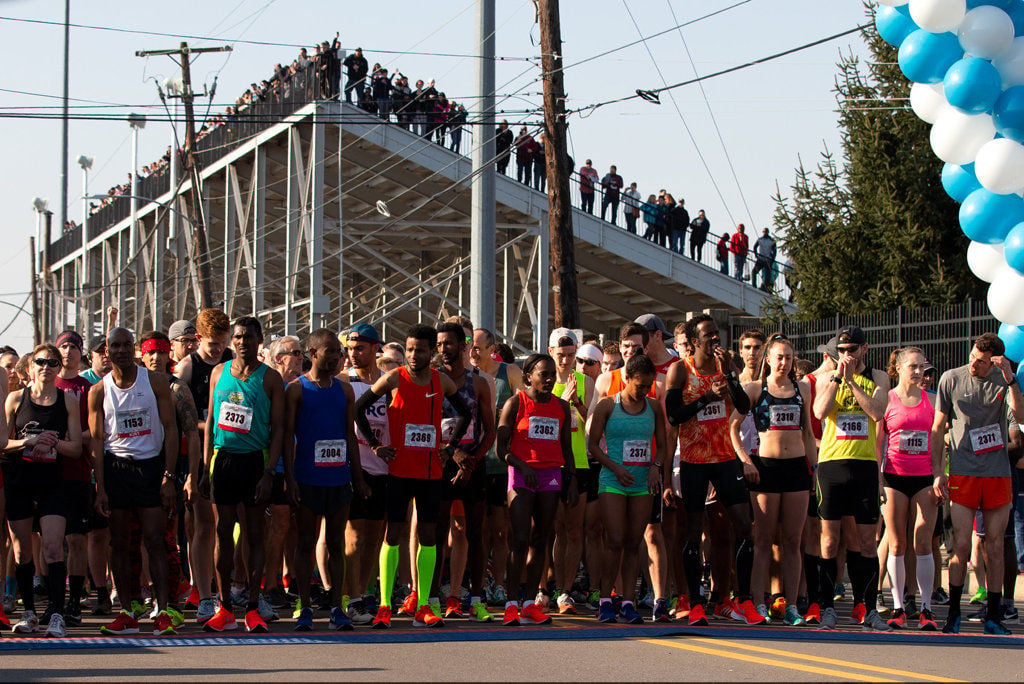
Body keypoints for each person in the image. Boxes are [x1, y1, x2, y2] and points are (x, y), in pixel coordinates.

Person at [355, 325, 471, 629]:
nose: (413, 355)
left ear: (431, 351)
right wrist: (377, 445)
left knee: (429, 536)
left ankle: (423, 605)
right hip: (399, 471)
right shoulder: (394, 377)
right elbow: (358, 409)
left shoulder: (440, 380)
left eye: (419, 350)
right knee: (392, 535)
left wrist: (450, 447)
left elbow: (466, 414)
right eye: (409, 349)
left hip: (431, 472)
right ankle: (383, 606)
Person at [664, 314, 759, 626]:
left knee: (744, 526)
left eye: (717, 333)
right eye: (708, 335)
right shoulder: (681, 369)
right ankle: (694, 602)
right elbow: (674, 415)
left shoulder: (725, 367)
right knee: (692, 531)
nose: (715, 339)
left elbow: (744, 407)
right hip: (694, 461)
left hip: (724, 458)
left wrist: (731, 376)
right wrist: (706, 398)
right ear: (693, 341)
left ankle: (742, 599)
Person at [90, 328, 179, 636]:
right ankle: (127, 611)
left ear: (135, 349)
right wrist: (100, 487)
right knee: (118, 544)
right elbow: (97, 443)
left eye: (127, 345)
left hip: (150, 468)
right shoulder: (98, 391)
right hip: (117, 469)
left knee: (154, 541)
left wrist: (169, 476)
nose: (122, 350)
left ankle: (162, 611)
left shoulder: (154, 381)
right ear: (107, 351)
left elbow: (171, 428)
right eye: (116, 345)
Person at [932, 333, 1023, 635]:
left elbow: (1020, 418)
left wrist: (1010, 380)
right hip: (963, 472)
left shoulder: (1004, 381)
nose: (975, 365)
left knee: (995, 546)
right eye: (973, 357)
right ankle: (954, 613)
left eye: (983, 363)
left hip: (997, 474)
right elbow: (937, 427)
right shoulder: (951, 379)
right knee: (960, 545)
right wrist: (937, 471)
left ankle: (994, 616)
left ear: (995, 362)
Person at [201, 317, 285, 633]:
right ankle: (223, 606)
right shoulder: (218, 373)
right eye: (237, 337)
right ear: (231, 341)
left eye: (248, 337)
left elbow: (278, 430)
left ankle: (252, 605)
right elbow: (210, 421)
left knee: (254, 534)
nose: (242, 343)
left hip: (255, 462)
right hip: (223, 461)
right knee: (223, 531)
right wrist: (205, 466)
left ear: (259, 340)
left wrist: (269, 473)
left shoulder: (271, 379)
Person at [285, 329, 368, 631]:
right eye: (329, 350)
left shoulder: (344, 390)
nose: (336, 356)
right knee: (306, 542)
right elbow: (286, 436)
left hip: (338, 479)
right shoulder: (297, 389)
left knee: (336, 543)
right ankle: (304, 607)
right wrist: (290, 478)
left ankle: (337, 607)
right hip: (307, 478)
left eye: (338, 351)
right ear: (312, 353)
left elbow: (350, 435)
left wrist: (357, 478)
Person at [730, 335, 815, 626]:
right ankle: (758, 602)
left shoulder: (802, 388)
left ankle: (791, 605)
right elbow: (733, 427)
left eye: (789, 358)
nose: (784, 363)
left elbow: (807, 433)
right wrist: (745, 460)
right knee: (763, 539)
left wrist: (813, 470)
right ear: (768, 359)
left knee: (793, 540)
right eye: (779, 357)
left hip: (796, 469)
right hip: (765, 467)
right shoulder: (755, 389)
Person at [813, 325, 891, 632]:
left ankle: (868, 608)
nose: (847, 355)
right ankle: (828, 608)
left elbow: (877, 413)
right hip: (832, 463)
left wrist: (853, 384)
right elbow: (819, 413)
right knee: (829, 541)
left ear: (864, 349)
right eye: (842, 350)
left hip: (864, 465)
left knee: (866, 543)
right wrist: (836, 379)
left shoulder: (878, 377)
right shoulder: (825, 377)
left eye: (852, 350)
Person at [496, 353, 577, 626]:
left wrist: (572, 480)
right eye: (544, 374)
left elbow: (567, 448)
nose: (550, 379)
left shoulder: (561, 407)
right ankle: (510, 604)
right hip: (521, 475)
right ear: (529, 375)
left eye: (552, 374)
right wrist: (522, 465)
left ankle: (530, 603)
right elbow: (501, 450)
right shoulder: (514, 403)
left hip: (551, 475)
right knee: (519, 539)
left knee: (541, 538)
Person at [588, 354, 668, 624]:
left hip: (642, 482)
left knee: (634, 543)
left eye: (648, 386)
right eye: (639, 386)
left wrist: (656, 466)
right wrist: (615, 467)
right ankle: (605, 600)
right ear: (627, 379)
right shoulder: (608, 406)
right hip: (613, 481)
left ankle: (627, 601)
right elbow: (593, 446)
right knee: (615, 540)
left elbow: (664, 444)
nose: (644, 391)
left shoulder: (654, 407)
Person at [5, 344, 75, 637]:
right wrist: (27, 442)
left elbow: (77, 447)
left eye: (53, 362)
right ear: (30, 367)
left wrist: (53, 442)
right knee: (21, 550)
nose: (47, 366)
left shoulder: (67, 400)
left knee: (53, 547)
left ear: (59, 369)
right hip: (20, 480)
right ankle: (30, 613)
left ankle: (57, 613)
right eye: (41, 362)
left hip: (52, 482)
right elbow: (1, 442)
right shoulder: (15, 399)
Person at [432, 322, 495, 623]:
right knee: (437, 530)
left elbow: (490, 430)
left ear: (463, 345)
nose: (444, 349)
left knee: (475, 533)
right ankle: (432, 600)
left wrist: (472, 461)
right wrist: (451, 453)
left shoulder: (478, 383)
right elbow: (425, 426)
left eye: (449, 343)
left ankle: (476, 598)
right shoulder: (432, 381)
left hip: (473, 466)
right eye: (440, 344)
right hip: (441, 464)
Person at [138, 331, 201, 628]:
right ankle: (148, 596)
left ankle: (171, 602)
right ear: (142, 354)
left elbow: (192, 432)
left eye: (161, 352)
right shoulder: (133, 386)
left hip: (172, 470)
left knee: (167, 539)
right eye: (150, 352)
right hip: (139, 468)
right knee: (139, 538)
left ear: (168, 355)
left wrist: (192, 475)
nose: (155, 357)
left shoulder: (178, 388)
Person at [174, 307, 233, 625]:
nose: (218, 350)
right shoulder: (188, 366)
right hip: (193, 453)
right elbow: (176, 416)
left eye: (222, 343)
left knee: (227, 525)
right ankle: (204, 594)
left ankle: (227, 590)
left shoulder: (233, 361)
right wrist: (204, 425)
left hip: (228, 450)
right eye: (212, 344)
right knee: (202, 525)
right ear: (199, 339)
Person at [878, 347, 939, 631]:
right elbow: (879, 442)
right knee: (897, 541)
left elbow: (938, 441)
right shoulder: (887, 400)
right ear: (898, 368)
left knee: (923, 542)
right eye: (912, 366)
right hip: (893, 476)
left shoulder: (933, 400)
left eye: (921, 366)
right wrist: (877, 477)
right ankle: (899, 606)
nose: (918, 372)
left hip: (925, 476)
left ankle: (926, 607)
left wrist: (940, 475)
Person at [470, 328, 524, 608]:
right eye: (470, 346)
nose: (472, 352)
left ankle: (499, 585)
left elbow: (527, 409)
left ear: (491, 348)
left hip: (502, 461)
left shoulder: (509, 372)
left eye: (478, 347)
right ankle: (475, 585)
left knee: (501, 530)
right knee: (477, 529)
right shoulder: (468, 376)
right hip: (475, 460)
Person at [341, 324, 389, 625]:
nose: (354, 354)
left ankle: (367, 591)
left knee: (374, 536)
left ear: (375, 349)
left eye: (360, 348)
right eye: (350, 348)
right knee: (354, 537)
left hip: (383, 468)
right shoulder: (345, 381)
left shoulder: (387, 382)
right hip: (353, 465)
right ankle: (352, 596)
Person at [547, 329, 595, 617]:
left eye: (570, 355)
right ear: (551, 352)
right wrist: (563, 402)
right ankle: (547, 587)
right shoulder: (544, 380)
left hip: (579, 461)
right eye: (561, 355)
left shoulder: (586, 382)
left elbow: (592, 422)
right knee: (555, 529)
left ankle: (565, 588)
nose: (565, 360)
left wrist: (577, 403)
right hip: (552, 462)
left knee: (574, 530)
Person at [53, 330, 94, 628]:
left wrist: (74, 439)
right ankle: (52, 602)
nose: (68, 351)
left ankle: (74, 601)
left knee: (77, 540)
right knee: (50, 543)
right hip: (46, 474)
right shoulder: (43, 385)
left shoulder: (89, 388)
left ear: (82, 353)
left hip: (78, 473)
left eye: (73, 347)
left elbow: (98, 429)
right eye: (63, 346)